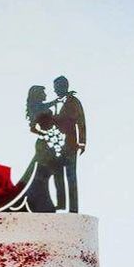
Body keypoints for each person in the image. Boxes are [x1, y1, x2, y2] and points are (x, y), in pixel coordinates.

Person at [4, 85, 65, 212]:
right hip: (45, 144)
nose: (46, 95)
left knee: (44, 173)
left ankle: (54, 202)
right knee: (42, 173)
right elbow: (34, 127)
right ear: (37, 94)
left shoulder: (39, 106)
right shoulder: (36, 107)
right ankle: (45, 202)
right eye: (43, 93)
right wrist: (46, 135)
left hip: (50, 143)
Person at [52, 75, 86, 213]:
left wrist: (82, 142)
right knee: (57, 173)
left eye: (56, 88)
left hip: (70, 144)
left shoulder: (74, 102)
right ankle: (61, 203)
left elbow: (81, 122)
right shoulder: (55, 102)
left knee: (71, 176)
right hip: (56, 144)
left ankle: (73, 208)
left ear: (63, 87)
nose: (55, 91)